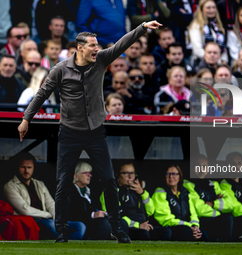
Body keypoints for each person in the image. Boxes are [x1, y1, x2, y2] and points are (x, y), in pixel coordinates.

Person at [17, 20, 162, 243]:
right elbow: (42, 94)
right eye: (93, 45)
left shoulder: (102, 59)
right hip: (69, 132)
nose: (97, 48)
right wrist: (26, 119)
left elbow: (122, 45)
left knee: (110, 179)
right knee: (63, 182)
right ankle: (62, 231)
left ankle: (116, 227)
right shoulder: (61, 69)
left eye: (97, 45)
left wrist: (142, 28)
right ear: (80, 48)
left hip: (95, 132)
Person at [3, 152, 86, 240]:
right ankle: (61, 246)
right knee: (50, 224)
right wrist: (48, 215)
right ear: (17, 167)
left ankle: (66, 248)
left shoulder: (39, 184)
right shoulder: (9, 186)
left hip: (48, 219)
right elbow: (25, 210)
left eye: (29, 167)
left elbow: (51, 203)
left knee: (80, 226)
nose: (26, 171)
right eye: (23, 167)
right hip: (30, 221)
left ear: (33, 168)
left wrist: (56, 218)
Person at [104, 163, 172, 240]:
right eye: (126, 173)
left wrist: (142, 193)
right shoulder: (114, 192)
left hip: (144, 226)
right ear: (118, 175)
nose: (130, 177)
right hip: (129, 227)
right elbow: (119, 217)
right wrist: (138, 225)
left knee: (166, 231)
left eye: (132, 173)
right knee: (143, 234)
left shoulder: (139, 191)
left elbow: (151, 211)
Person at [183, 155, 234, 242]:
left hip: (215, 220)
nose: (202, 169)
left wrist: (213, 204)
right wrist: (219, 208)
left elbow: (230, 204)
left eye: (204, 166)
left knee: (229, 218)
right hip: (201, 221)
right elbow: (200, 209)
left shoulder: (213, 184)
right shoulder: (187, 184)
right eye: (198, 166)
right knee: (227, 219)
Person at [152, 165, 203, 241]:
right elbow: (166, 219)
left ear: (180, 176)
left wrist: (195, 226)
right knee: (186, 232)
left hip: (186, 227)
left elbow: (193, 214)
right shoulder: (160, 193)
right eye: (168, 174)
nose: (171, 177)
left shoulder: (185, 193)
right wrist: (189, 226)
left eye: (174, 174)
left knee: (202, 234)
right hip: (170, 227)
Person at [70, 161, 112, 240]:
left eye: (90, 173)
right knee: (104, 224)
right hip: (78, 223)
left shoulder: (90, 191)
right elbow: (72, 213)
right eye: (86, 173)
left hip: (91, 223)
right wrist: (92, 215)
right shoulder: (69, 191)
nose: (90, 175)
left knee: (120, 222)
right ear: (76, 175)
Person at [188, 0, 228, 65]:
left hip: (219, 65)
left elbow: (223, 48)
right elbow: (197, 49)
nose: (211, 10)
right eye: (208, 8)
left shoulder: (218, 26)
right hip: (201, 63)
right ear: (201, 9)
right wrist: (215, 60)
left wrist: (223, 60)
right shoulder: (196, 25)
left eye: (213, 7)